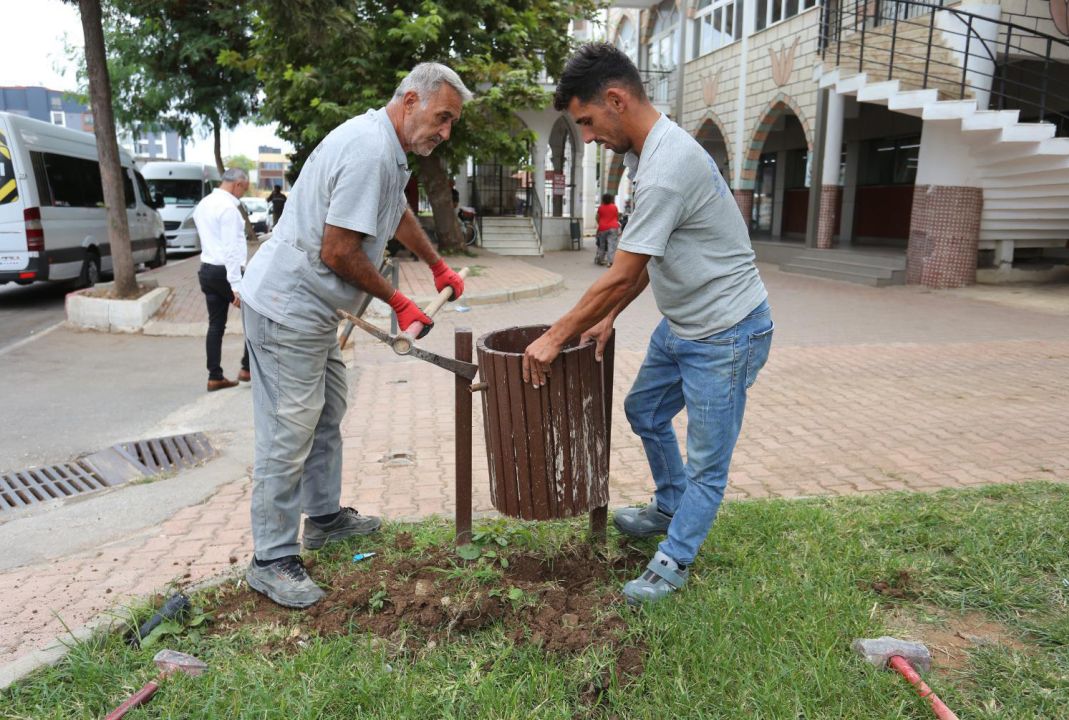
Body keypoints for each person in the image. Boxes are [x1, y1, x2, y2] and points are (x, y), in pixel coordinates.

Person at [522, 44, 773, 605]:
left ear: (616, 100)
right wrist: (609, 316)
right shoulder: (645, 156)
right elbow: (644, 258)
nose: (588, 137)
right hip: (683, 323)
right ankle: (670, 504)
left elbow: (619, 273)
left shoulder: (666, 168)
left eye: (587, 121)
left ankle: (673, 560)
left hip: (728, 331)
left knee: (708, 462)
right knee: (646, 411)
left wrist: (554, 337)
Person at [239, 63, 471, 609]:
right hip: (287, 307)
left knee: (327, 410)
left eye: (451, 123)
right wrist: (398, 301)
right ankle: (271, 558)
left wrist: (436, 264)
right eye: (442, 118)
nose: (444, 132)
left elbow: (395, 213)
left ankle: (324, 520)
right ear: (410, 100)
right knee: (288, 428)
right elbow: (338, 251)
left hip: (314, 311)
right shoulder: (369, 149)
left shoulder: (388, 149)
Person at [192, 167, 251, 392]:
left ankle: (214, 376)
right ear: (237, 184)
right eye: (244, 189)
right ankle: (247, 368)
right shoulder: (228, 209)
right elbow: (231, 250)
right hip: (226, 272)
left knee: (215, 325)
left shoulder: (203, 204)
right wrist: (236, 286)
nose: (243, 193)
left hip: (207, 270)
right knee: (255, 316)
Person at [596, 193, 620, 266]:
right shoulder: (614, 207)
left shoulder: (600, 208)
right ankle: (610, 262)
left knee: (602, 245)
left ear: (603, 199)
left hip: (602, 228)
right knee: (611, 244)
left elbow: (597, 218)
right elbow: (617, 217)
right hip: (613, 227)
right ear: (611, 199)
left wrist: (600, 224)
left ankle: (601, 259)